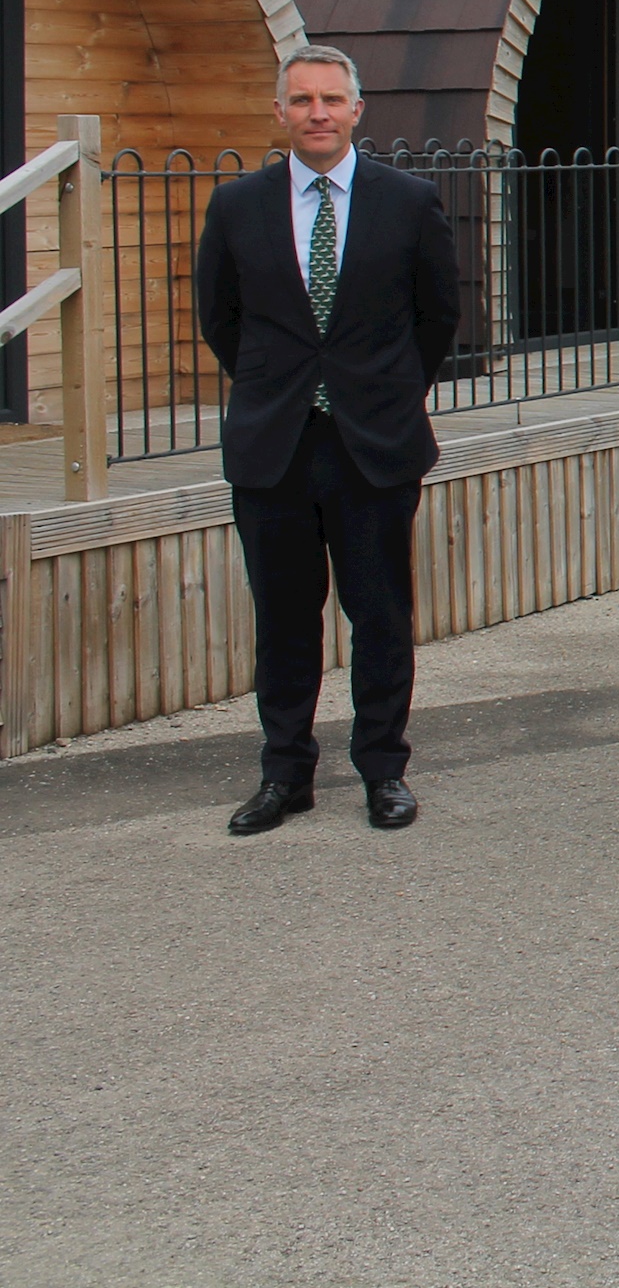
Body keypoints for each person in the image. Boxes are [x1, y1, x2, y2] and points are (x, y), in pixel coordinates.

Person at [195, 44, 461, 837]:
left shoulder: (408, 201)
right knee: (283, 616)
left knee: (379, 612)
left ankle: (384, 769)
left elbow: (437, 314)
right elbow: (221, 318)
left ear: (356, 110)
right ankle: (285, 773)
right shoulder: (237, 207)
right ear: (280, 112)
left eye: (331, 100)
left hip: (372, 442)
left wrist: (386, 389)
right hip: (273, 444)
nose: (318, 113)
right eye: (302, 100)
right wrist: (277, 383)